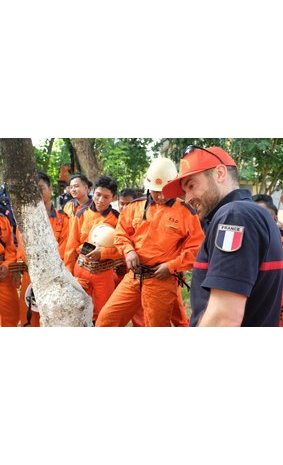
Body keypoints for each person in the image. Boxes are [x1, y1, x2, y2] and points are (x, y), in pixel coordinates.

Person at [162, 145, 283, 327]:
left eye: (191, 185)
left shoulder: (234, 216)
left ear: (219, 174)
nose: (187, 199)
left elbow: (223, 318)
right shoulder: (251, 213)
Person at [96, 157, 204, 327]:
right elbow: (121, 233)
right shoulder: (134, 207)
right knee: (106, 320)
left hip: (161, 279)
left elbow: (196, 249)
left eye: (165, 191)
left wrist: (171, 266)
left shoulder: (185, 213)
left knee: (156, 325)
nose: (160, 196)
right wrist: (129, 250)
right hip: (133, 276)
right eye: (155, 191)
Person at [64, 175, 120, 323]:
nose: (101, 200)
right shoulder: (81, 214)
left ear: (113, 198)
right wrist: (69, 277)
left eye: (106, 197)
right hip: (81, 270)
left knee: (104, 313)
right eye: (98, 194)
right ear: (93, 191)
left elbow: (121, 248)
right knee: (80, 311)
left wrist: (103, 253)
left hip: (104, 272)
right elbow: (71, 246)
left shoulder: (117, 219)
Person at [18, 172, 69, 327]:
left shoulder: (64, 219)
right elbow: (23, 247)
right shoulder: (24, 219)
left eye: (41, 188)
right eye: (33, 190)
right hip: (31, 275)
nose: (37, 193)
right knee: (29, 318)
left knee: (55, 318)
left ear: (50, 189)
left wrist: (49, 265)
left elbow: (66, 247)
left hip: (56, 276)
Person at [0, 213, 20, 326]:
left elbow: (11, 249)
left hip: (3, 273)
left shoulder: (3, 219)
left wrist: (6, 266)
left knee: (12, 313)